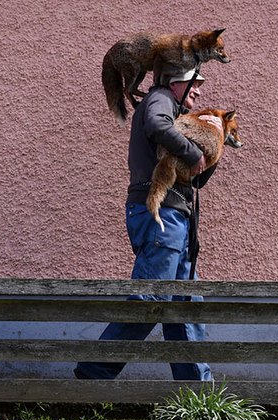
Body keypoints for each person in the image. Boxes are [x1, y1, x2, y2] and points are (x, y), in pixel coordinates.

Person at [74, 69, 220, 381]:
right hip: (161, 216)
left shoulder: (177, 112)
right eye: (195, 84)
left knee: (185, 304)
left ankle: (198, 392)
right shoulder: (160, 98)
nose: (198, 92)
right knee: (151, 298)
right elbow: (155, 124)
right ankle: (92, 377)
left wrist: (214, 141)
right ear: (175, 81)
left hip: (176, 217)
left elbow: (198, 178)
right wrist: (193, 150)